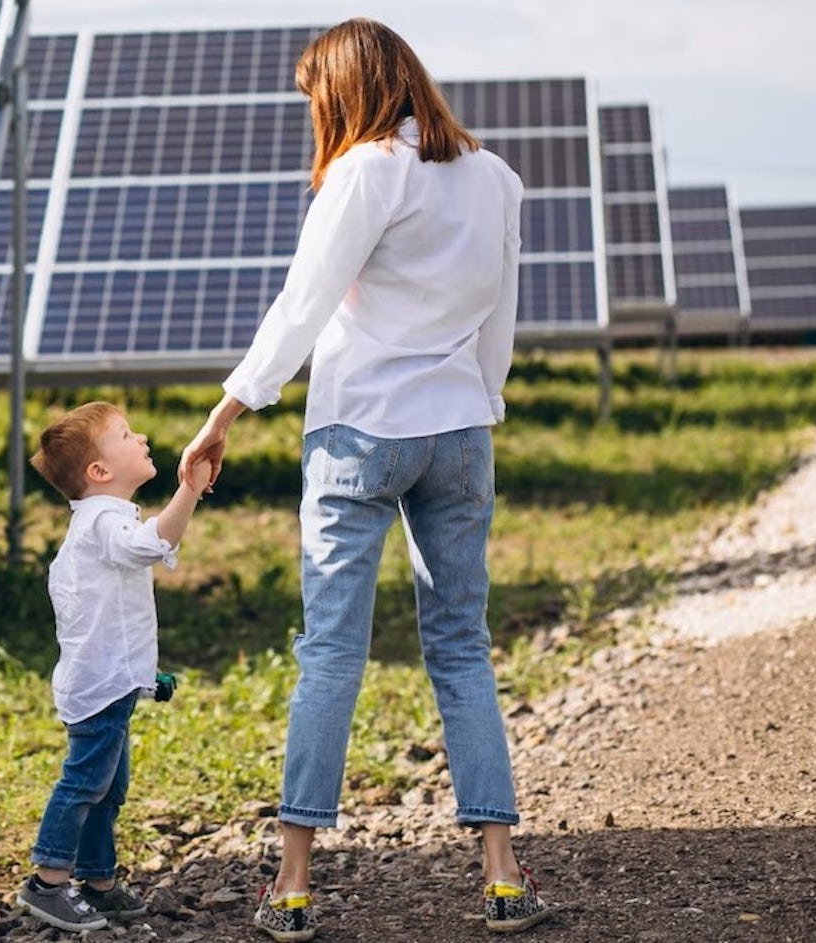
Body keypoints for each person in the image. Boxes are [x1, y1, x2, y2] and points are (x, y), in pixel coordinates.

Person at [177, 18, 554, 942]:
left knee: (333, 653)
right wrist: (484, 400)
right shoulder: (496, 177)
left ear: (345, 90)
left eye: (317, 96)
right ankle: (503, 874)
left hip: (359, 433)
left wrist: (227, 412)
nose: (315, 113)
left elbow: (303, 301)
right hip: (460, 431)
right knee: (462, 645)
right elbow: (502, 311)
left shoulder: (364, 170)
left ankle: (295, 884)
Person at [17, 401, 213, 932]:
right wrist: (189, 491)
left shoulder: (103, 521)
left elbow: (116, 617)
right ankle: (48, 882)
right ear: (99, 472)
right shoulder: (103, 521)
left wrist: (145, 679)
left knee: (109, 788)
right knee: (85, 785)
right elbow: (152, 546)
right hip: (99, 688)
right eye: (127, 435)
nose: (142, 438)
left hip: (112, 684)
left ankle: (98, 881)